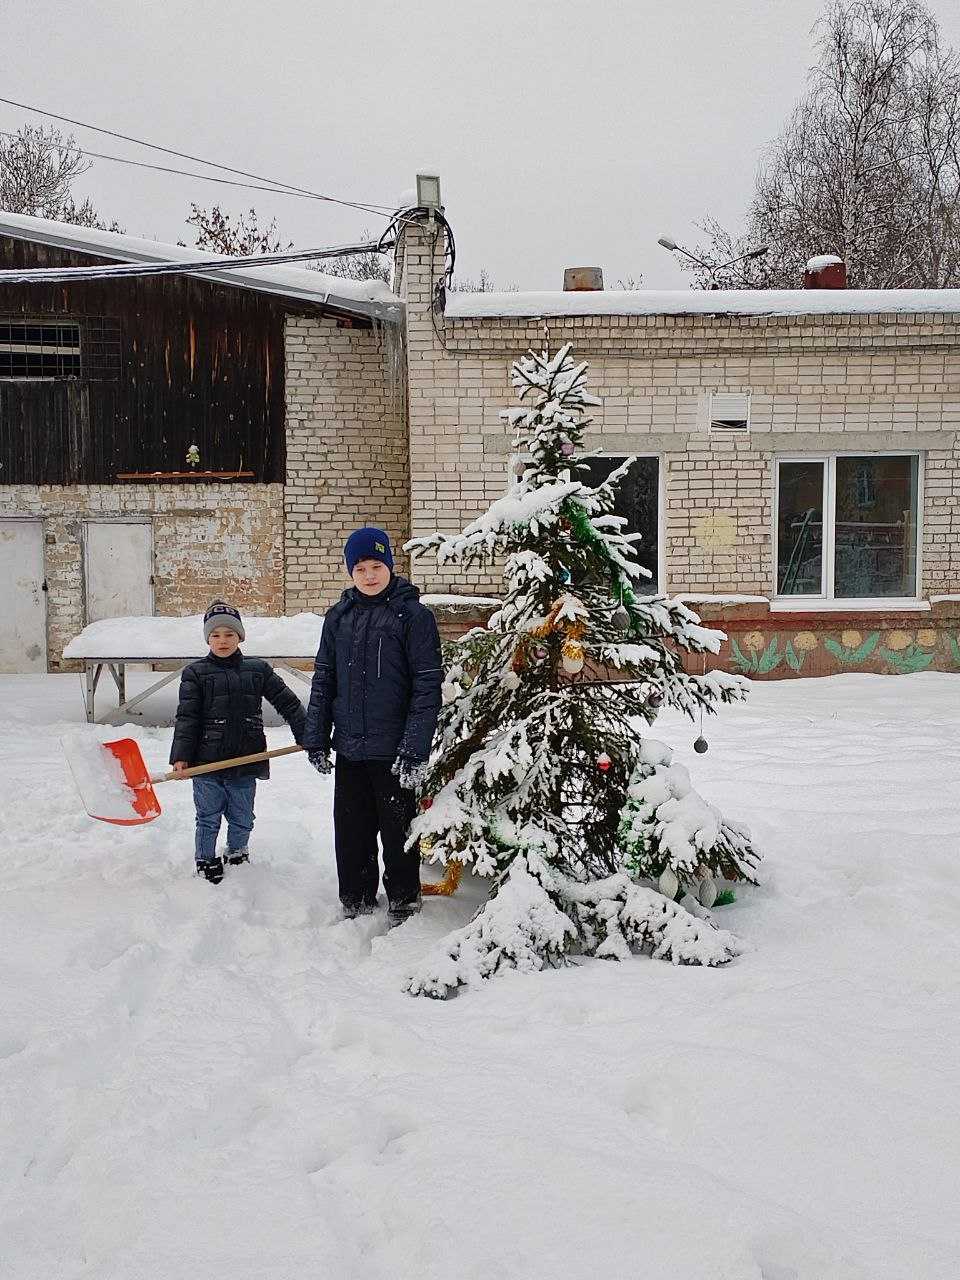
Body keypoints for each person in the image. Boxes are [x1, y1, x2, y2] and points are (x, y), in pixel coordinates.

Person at [304, 527, 442, 926]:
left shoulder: (412, 616)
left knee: (397, 830)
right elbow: (324, 678)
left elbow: (427, 684)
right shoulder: (339, 617)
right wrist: (316, 737)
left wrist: (415, 747)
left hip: (394, 748)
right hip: (349, 745)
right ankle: (356, 896)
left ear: (390, 567)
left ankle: (403, 897)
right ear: (350, 572)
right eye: (360, 568)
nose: (368, 575)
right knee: (351, 829)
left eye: (376, 566)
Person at [170, 599, 306, 884]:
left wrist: (306, 734)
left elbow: (289, 703)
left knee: (243, 816)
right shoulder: (195, 673)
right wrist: (181, 756)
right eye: (215, 635)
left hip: (247, 758)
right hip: (205, 762)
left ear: (240, 636)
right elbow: (187, 718)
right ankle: (205, 858)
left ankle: (237, 853)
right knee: (208, 817)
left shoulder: (258, 670)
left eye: (229, 634)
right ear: (207, 638)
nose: (222, 641)